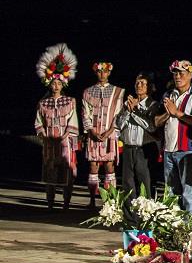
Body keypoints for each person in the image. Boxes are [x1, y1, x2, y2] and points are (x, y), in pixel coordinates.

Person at [155, 60, 192, 218]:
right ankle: (171, 226)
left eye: (181, 73)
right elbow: (156, 121)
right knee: (170, 192)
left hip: (188, 150)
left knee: (187, 192)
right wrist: (168, 113)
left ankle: (189, 228)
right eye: (175, 73)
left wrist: (177, 113)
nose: (177, 76)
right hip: (169, 149)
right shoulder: (167, 94)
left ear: (190, 75)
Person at [34, 43, 80, 210]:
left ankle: (66, 203)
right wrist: (43, 135)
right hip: (49, 143)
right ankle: (50, 203)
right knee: (50, 173)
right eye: (53, 83)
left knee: (66, 174)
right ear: (49, 84)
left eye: (59, 84)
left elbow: (73, 122)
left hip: (64, 143)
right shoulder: (43, 103)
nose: (55, 86)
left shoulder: (69, 101)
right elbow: (39, 122)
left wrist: (65, 135)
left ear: (63, 85)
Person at [81, 61, 125, 207]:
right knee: (93, 167)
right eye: (99, 72)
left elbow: (119, 114)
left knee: (109, 166)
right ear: (96, 73)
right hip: (94, 134)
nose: (102, 74)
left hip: (109, 133)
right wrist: (92, 131)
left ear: (109, 73)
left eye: (105, 72)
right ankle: (92, 200)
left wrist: (110, 131)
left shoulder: (117, 91)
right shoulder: (88, 92)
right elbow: (85, 114)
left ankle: (110, 201)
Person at [116, 72, 158, 200]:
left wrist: (134, 111)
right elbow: (119, 124)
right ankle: (130, 216)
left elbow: (150, 126)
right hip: (128, 148)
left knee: (145, 183)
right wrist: (128, 111)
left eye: (143, 84)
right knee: (128, 184)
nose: (139, 86)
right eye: (137, 83)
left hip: (144, 149)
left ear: (149, 87)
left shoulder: (153, 105)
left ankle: (147, 213)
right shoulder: (128, 103)